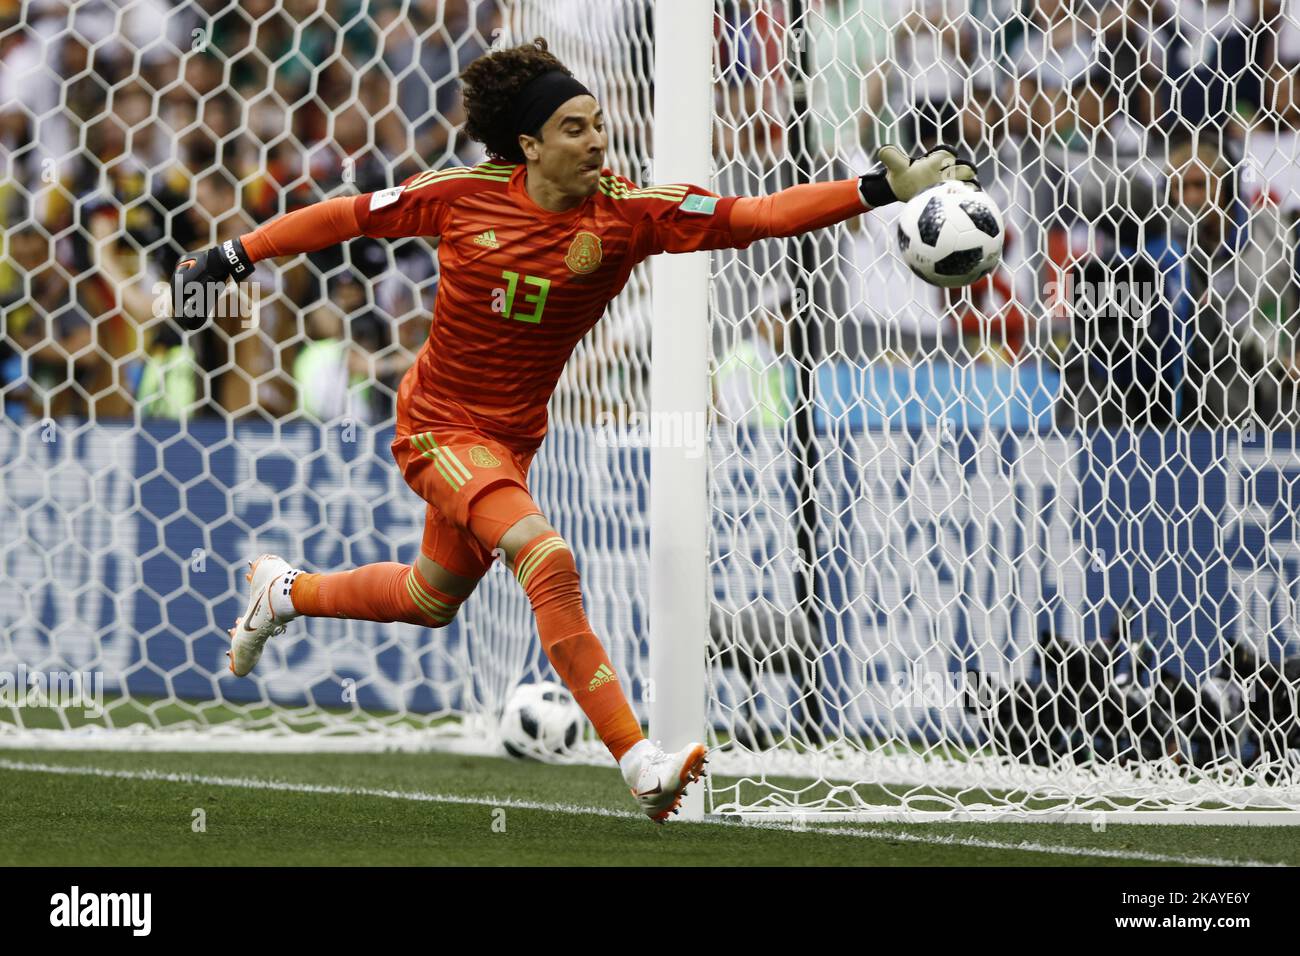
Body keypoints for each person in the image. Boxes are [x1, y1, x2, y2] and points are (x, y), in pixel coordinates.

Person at [172, 37, 975, 822]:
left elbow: (753, 215)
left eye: (598, 123)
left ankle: (283, 592)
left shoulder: (628, 215)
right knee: (546, 555)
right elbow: (346, 216)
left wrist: (872, 190)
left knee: (429, 598)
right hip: (439, 428)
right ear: (528, 144)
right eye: (574, 128)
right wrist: (238, 255)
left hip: (512, 437)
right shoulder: (461, 193)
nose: (597, 140)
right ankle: (640, 763)